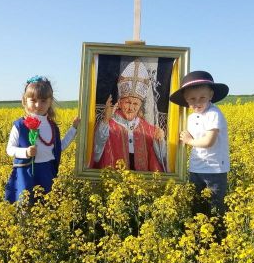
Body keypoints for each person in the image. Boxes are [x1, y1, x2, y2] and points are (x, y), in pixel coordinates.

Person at [5, 75, 80, 204]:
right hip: (26, 172)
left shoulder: (52, 126)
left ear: (50, 102)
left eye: (43, 100)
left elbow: (59, 147)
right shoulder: (20, 125)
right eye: (33, 100)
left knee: (48, 204)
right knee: (25, 205)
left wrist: (74, 129)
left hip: (47, 171)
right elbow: (10, 149)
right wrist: (26, 152)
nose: (38, 105)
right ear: (25, 101)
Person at [169, 71, 230, 216]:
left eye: (202, 97)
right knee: (197, 205)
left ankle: (218, 234)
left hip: (214, 169)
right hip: (196, 167)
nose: (197, 102)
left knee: (215, 207)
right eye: (192, 99)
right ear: (186, 100)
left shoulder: (213, 114)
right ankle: (197, 235)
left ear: (211, 95)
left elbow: (209, 141)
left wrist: (190, 141)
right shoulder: (191, 117)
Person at [91, 60, 167, 172]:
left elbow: (161, 159)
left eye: (135, 104)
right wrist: (106, 120)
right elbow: (97, 154)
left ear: (140, 105)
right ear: (120, 103)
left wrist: (160, 141)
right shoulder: (108, 125)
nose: (131, 108)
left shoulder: (147, 129)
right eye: (127, 102)